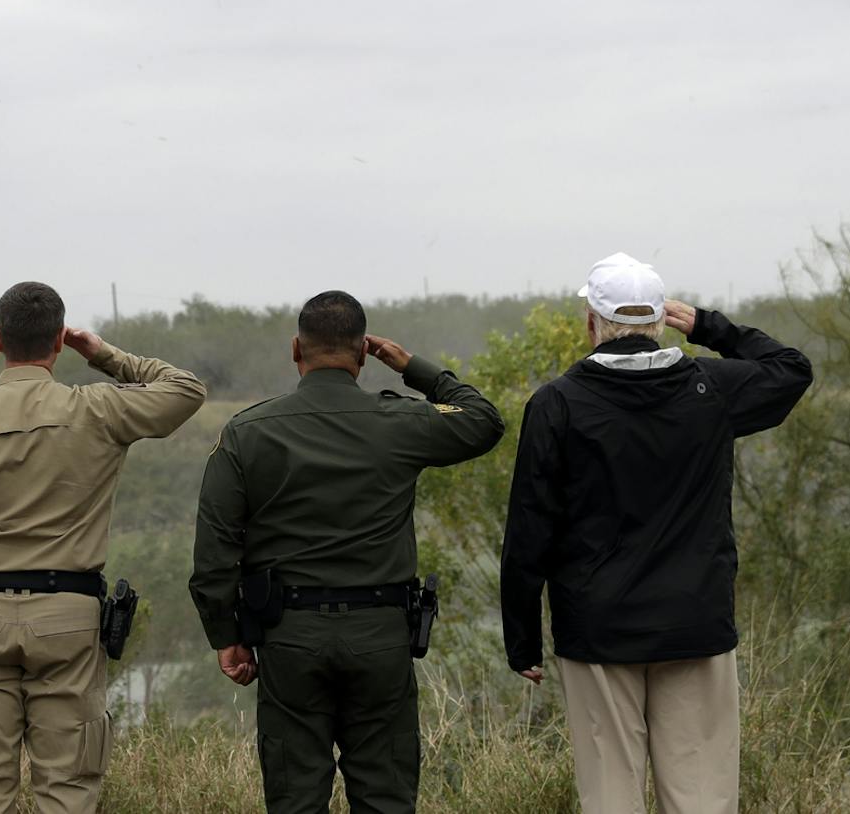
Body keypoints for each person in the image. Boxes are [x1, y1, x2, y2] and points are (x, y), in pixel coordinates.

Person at [501, 253, 813, 814]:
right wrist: (709, 326)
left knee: (611, 798)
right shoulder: (711, 390)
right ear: (662, 320)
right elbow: (791, 368)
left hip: (597, 630)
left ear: (592, 324)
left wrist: (522, 638)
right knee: (701, 798)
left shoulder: (558, 404)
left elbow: (530, 528)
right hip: (694, 620)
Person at [0, 281, 207, 814]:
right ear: (60, 341)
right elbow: (185, 390)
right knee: (67, 789)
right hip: (69, 619)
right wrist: (106, 355)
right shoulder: (98, 411)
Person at [190, 290, 504, 813]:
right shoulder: (399, 422)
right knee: (385, 796)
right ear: (364, 354)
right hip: (380, 635)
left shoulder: (247, 432)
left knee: (295, 799)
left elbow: (216, 547)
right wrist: (413, 368)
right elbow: (484, 420)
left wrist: (228, 635)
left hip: (289, 639)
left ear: (296, 349)